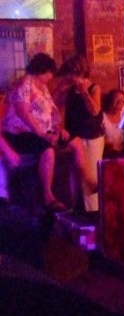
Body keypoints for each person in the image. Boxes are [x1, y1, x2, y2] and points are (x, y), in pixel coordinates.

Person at [1, 53, 91, 213]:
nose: (51, 77)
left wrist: (58, 127)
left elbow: (52, 112)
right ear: (43, 70)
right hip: (21, 133)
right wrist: (43, 134)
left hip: (44, 131)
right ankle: (48, 195)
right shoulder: (24, 84)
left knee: (76, 142)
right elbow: (24, 113)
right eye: (50, 73)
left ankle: (86, 182)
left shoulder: (41, 88)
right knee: (47, 150)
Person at [55, 55, 104, 212]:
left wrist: (84, 93)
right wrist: (60, 88)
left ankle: (94, 212)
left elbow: (95, 111)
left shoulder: (94, 88)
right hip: (74, 137)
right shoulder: (69, 90)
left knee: (89, 176)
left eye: (71, 73)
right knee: (74, 176)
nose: (70, 77)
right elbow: (54, 105)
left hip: (91, 136)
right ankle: (76, 209)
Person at [102, 89, 124, 158]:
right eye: (116, 100)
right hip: (108, 155)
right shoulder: (102, 118)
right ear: (110, 101)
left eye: (122, 100)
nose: (119, 103)